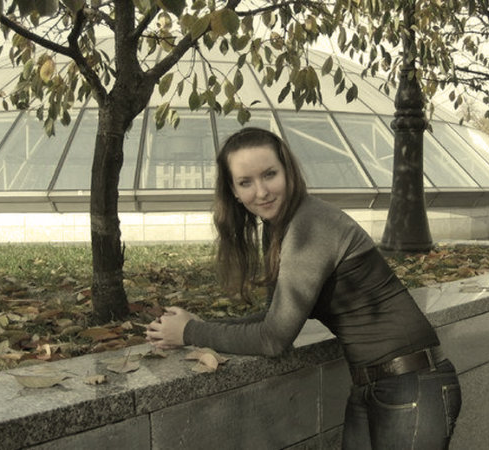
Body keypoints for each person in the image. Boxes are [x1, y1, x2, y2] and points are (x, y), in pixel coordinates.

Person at [145, 127, 462, 449]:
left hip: (411, 384)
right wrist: (197, 326)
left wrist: (190, 332)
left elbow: (274, 340)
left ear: (288, 172)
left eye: (270, 174)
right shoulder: (279, 228)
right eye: (246, 182)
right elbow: (274, 317)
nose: (261, 191)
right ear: (234, 191)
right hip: (374, 384)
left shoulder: (309, 225)